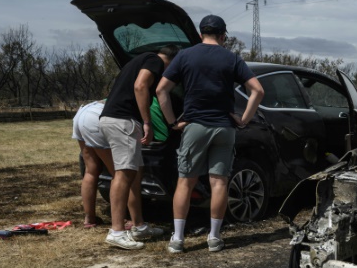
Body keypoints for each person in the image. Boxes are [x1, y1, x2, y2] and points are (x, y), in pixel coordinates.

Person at [156, 14, 264, 254]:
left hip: (195, 125)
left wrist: (172, 121)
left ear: (200, 34)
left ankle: (178, 239)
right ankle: (214, 238)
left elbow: (161, 90)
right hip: (224, 127)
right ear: (224, 35)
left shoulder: (185, 55)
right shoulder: (232, 58)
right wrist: (244, 119)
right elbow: (257, 90)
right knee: (219, 182)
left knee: (185, 181)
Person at [98, 45, 181, 250]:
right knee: (124, 174)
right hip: (123, 121)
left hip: (115, 119)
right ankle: (117, 231)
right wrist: (147, 122)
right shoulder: (155, 61)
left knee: (135, 173)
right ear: (172, 60)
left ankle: (139, 226)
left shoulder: (140, 60)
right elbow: (140, 86)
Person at [72, 99, 168, 231]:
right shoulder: (153, 102)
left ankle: (89, 219)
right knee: (122, 176)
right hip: (99, 116)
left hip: (83, 112)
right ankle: (130, 221)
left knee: (91, 170)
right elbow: (163, 135)